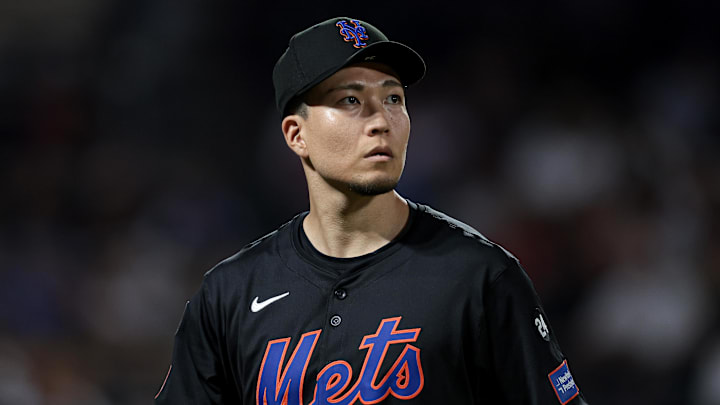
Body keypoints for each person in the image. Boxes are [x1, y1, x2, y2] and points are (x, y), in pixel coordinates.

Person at [154, 17, 589, 405]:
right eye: (349, 101)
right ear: (296, 134)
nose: (381, 120)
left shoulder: (478, 277)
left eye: (394, 98)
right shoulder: (230, 294)